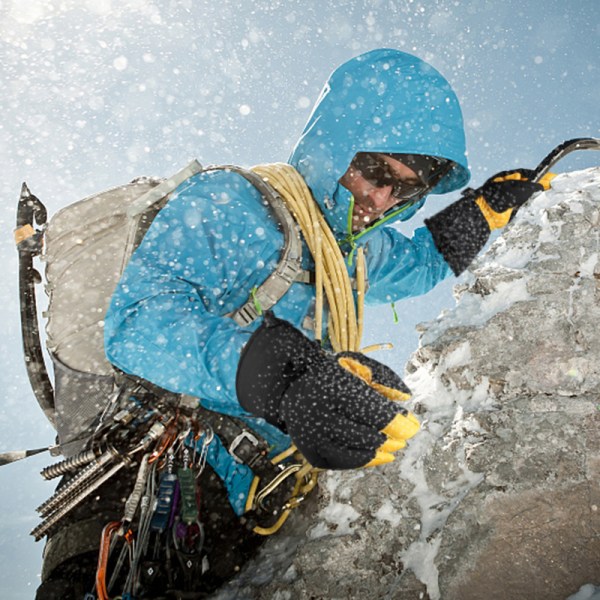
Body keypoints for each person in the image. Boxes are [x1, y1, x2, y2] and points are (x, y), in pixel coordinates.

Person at [36, 48, 546, 599]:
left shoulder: (355, 251)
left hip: (253, 507)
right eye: (374, 171)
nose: (380, 198)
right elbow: (138, 324)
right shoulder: (232, 203)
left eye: (404, 190)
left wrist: (484, 209)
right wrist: (280, 375)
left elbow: (423, 265)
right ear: (336, 143)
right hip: (153, 496)